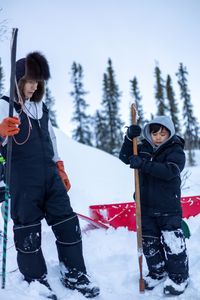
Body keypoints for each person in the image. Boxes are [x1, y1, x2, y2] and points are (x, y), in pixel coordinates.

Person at [0, 52, 100, 299]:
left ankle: (74, 274)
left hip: (49, 174)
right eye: (30, 80)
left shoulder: (41, 107)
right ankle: (36, 281)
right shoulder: (3, 105)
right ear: (18, 79)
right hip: (22, 178)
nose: (34, 86)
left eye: (38, 82)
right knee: (28, 230)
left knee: (67, 223)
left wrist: (60, 166)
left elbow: (51, 139)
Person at [119, 115, 189, 296]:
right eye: (154, 133)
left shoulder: (175, 151)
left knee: (173, 245)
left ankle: (179, 278)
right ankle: (157, 272)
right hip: (146, 207)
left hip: (168, 207)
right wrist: (129, 139)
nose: (158, 137)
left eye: (162, 133)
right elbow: (125, 157)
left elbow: (169, 171)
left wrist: (144, 164)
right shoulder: (143, 149)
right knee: (149, 243)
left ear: (170, 133)